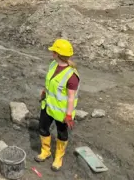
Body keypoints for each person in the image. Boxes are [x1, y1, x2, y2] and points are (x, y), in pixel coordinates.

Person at [35, 39, 80, 171]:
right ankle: (46, 151)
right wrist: (44, 92)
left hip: (62, 112)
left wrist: (69, 115)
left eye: (53, 51)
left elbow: (71, 97)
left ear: (57, 53)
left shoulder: (71, 76)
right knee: (43, 128)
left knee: (62, 133)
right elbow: (50, 82)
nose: (51, 52)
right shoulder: (53, 65)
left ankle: (58, 157)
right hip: (48, 105)